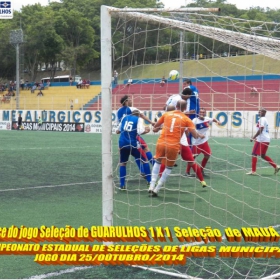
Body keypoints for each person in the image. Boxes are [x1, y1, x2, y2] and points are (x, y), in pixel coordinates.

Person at [148, 100, 208, 197]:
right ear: (185, 108)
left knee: (158, 162)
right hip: (174, 145)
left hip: (161, 142)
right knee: (169, 167)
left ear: (176, 106)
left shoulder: (167, 114)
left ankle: (151, 186)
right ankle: (157, 189)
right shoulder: (186, 119)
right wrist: (198, 135)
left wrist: (158, 127)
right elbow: (193, 134)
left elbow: (155, 127)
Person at [117, 95, 155, 175]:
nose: (131, 101)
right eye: (130, 100)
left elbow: (119, 126)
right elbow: (141, 115)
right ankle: (155, 167)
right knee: (145, 149)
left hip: (123, 137)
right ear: (126, 101)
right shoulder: (132, 109)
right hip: (134, 135)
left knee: (135, 154)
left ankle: (142, 171)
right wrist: (151, 123)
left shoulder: (118, 111)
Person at [116, 110, 151, 190]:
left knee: (123, 164)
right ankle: (149, 181)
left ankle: (122, 185)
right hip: (133, 144)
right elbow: (140, 131)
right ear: (138, 115)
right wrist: (146, 130)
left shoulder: (125, 117)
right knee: (145, 160)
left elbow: (119, 130)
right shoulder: (138, 119)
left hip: (122, 143)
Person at [185, 108, 221, 177]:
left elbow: (213, 119)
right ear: (198, 113)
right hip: (197, 142)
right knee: (192, 157)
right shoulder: (195, 121)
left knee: (207, 155)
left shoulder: (206, 119)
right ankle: (187, 172)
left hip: (204, 141)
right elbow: (190, 129)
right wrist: (198, 135)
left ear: (205, 113)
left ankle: (201, 170)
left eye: (203, 112)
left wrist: (217, 121)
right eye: (200, 112)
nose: (202, 113)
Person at [246, 108, 280, 175]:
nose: (259, 112)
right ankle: (276, 166)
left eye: (260, 111)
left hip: (262, 140)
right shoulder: (265, 120)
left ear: (264, 112)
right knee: (263, 155)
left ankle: (253, 171)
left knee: (254, 154)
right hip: (266, 139)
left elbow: (261, 129)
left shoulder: (262, 119)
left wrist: (254, 137)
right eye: (259, 111)